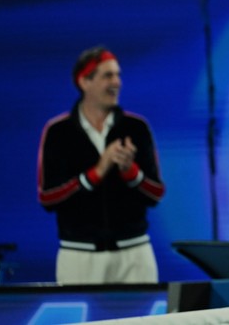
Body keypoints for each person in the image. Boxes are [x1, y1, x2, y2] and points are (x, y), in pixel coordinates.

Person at [37, 46, 165, 284]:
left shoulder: (137, 128)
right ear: (84, 81)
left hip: (134, 254)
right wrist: (96, 173)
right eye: (108, 75)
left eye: (118, 75)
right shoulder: (58, 132)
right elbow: (48, 197)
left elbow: (156, 193)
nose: (117, 82)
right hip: (78, 256)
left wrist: (131, 172)